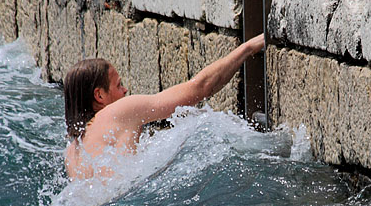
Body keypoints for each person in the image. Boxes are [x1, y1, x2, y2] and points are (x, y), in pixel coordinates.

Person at [63, 33, 265, 180]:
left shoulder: (72, 152)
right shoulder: (117, 112)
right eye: (118, 85)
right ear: (99, 95)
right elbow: (200, 88)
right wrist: (248, 48)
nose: (124, 91)